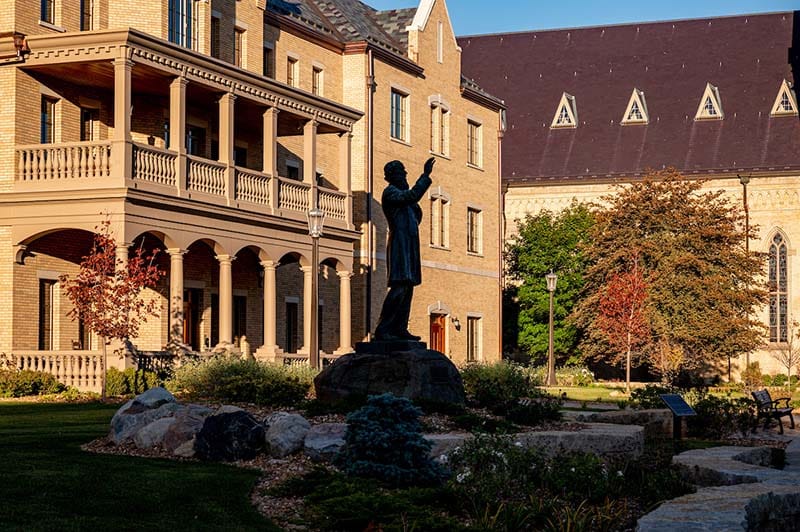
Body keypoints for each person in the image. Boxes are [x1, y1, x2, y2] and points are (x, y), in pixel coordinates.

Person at [374, 157, 435, 341]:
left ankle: (400, 328)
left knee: (408, 288)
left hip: (409, 245)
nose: (405, 174)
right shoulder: (391, 193)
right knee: (399, 287)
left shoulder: (404, 198)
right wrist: (425, 175)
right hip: (399, 246)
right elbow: (412, 196)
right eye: (402, 172)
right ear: (393, 176)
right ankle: (383, 329)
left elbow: (416, 213)